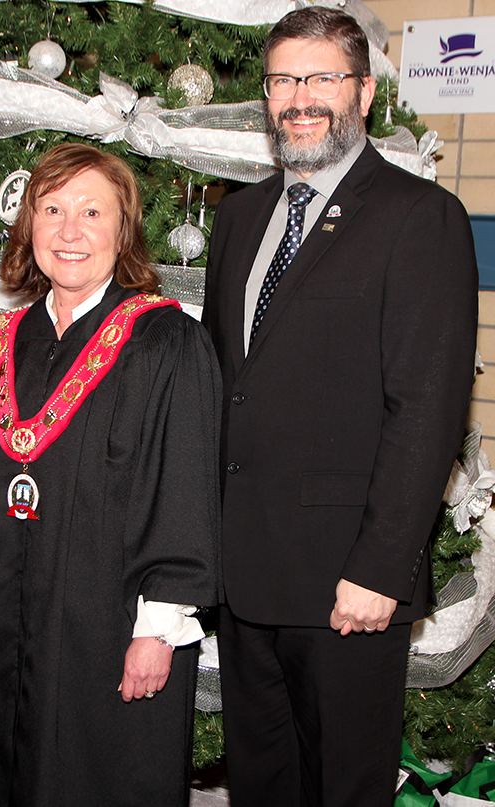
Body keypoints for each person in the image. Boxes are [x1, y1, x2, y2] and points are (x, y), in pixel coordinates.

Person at [202, 8, 478, 807]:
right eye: (284, 79)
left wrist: (380, 567)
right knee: (263, 784)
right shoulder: (241, 217)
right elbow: (233, 386)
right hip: (246, 573)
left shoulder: (419, 218)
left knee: (343, 789)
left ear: (362, 89)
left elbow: (426, 410)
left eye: (322, 77)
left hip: (347, 583)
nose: (300, 97)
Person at [0, 143, 222, 807]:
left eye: (93, 211)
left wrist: (158, 627)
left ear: (122, 230)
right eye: (53, 209)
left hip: (112, 629)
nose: (70, 231)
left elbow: (184, 489)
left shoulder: (166, 344)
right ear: (28, 227)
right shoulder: (0, 345)